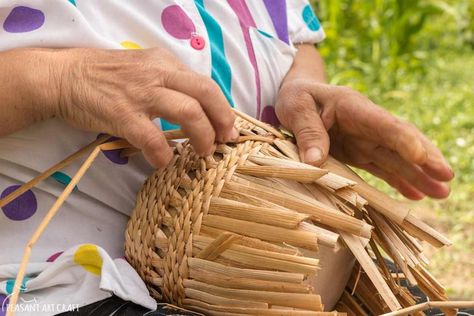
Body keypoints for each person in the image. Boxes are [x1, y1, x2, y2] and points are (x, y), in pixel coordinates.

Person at [0, 1, 453, 315]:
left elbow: (297, 41)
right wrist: (55, 79)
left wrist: (298, 88)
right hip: (55, 285)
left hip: (280, 265)